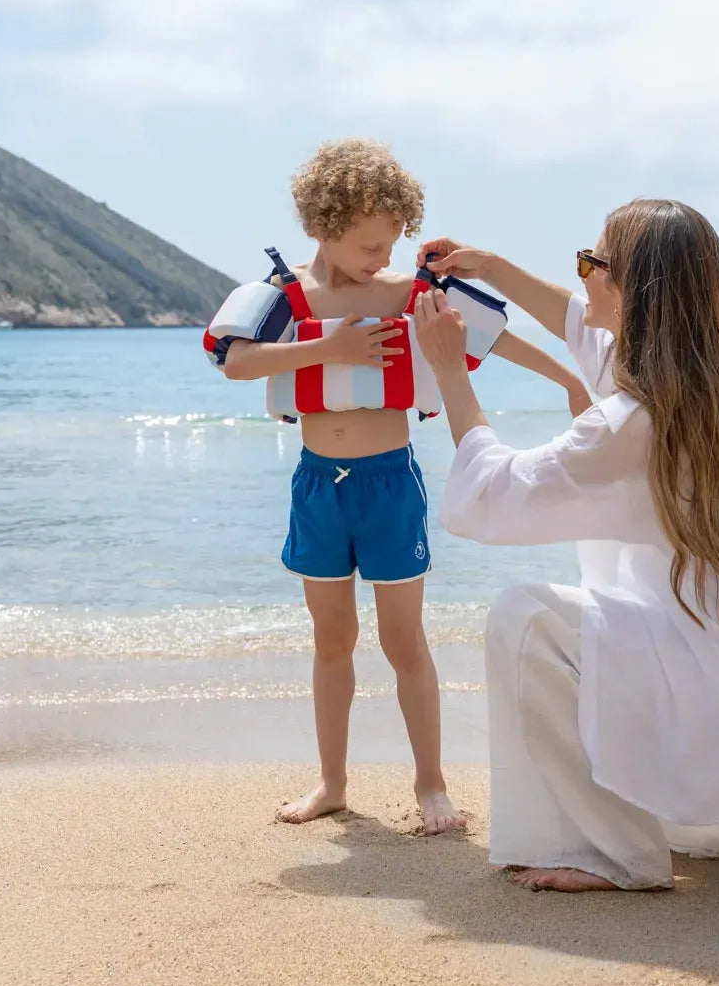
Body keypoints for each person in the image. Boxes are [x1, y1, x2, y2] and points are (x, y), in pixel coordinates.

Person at [413, 199, 719, 886]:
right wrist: (491, 267)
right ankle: (685, 826)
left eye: (592, 263)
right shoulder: (716, 386)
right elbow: (577, 326)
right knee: (593, 621)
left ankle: (609, 852)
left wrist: (449, 372)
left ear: (633, 288)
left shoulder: (630, 422)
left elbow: (493, 496)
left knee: (525, 620)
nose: (580, 274)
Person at [222, 139, 589, 833]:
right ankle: (331, 782)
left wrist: (569, 379)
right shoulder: (286, 295)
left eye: (390, 241)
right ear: (323, 226)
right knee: (331, 639)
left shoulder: (411, 294)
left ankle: (431, 785)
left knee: (403, 640)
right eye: (367, 243)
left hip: (389, 484)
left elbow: (493, 337)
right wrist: (329, 349)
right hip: (317, 488)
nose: (380, 256)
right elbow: (235, 361)